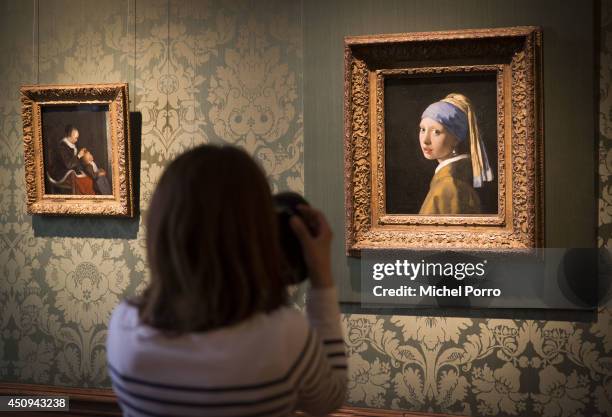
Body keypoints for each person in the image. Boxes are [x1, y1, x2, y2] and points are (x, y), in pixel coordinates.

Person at [106, 145, 347, 417]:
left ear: (162, 228)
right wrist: (322, 280)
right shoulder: (284, 336)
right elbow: (330, 397)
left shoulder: (124, 325)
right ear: (259, 234)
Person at [417, 93, 494, 215]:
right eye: (422, 129)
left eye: (436, 132)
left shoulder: (448, 186)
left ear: (456, 138)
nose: (425, 140)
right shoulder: (451, 179)